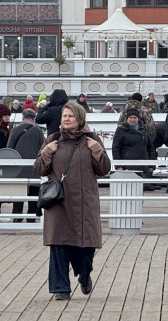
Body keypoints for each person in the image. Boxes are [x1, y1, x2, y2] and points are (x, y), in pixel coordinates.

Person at [33, 100, 111, 300]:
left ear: (79, 118)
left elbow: (104, 170)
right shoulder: (52, 139)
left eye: (70, 116)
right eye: (64, 116)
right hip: (58, 201)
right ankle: (60, 288)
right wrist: (47, 152)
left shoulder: (92, 140)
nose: (66, 119)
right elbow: (39, 169)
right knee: (59, 244)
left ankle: (84, 275)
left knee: (86, 246)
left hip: (85, 200)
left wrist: (97, 151)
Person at [9, 107, 45, 221]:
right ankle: (31, 217)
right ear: (34, 118)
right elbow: (42, 149)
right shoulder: (38, 131)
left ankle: (17, 217)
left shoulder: (15, 130)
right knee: (34, 194)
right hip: (34, 168)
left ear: (23, 117)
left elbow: (9, 149)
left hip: (18, 168)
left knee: (19, 194)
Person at [112, 108, 155, 180]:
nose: (133, 119)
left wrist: (151, 165)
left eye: (135, 117)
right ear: (127, 118)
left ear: (138, 118)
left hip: (144, 167)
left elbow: (150, 148)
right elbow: (116, 148)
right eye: (130, 117)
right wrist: (118, 166)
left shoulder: (144, 129)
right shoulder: (121, 130)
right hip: (128, 167)